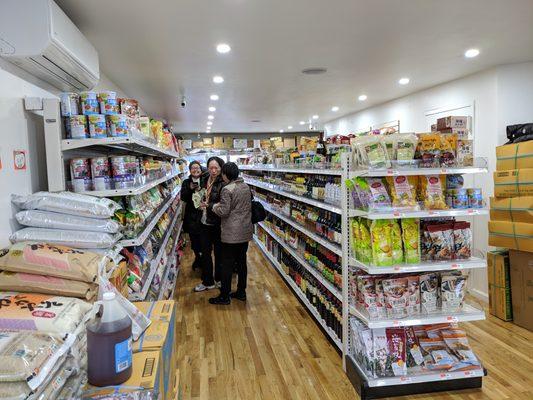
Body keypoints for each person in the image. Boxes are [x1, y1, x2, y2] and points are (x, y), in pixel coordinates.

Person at [207, 162, 252, 305]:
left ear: (226, 174)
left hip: (231, 233)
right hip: (245, 231)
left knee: (226, 264)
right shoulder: (245, 186)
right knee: (241, 263)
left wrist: (212, 206)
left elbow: (223, 211)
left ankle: (224, 296)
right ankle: (241, 292)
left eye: (223, 173)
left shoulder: (227, 189)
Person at [194, 156, 225, 292]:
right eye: (211, 167)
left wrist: (209, 204)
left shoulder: (224, 182)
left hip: (217, 223)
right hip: (204, 221)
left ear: (221, 168)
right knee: (205, 253)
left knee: (219, 254)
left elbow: (224, 204)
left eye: (216, 168)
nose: (213, 171)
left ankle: (218, 279)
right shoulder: (205, 178)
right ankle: (208, 281)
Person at [180, 161, 205, 271]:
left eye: (197, 168)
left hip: (203, 214)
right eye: (193, 168)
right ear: (190, 170)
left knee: (204, 240)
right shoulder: (186, 182)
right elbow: (183, 198)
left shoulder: (205, 180)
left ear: (201, 169)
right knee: (194, 240)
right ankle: (198, 258)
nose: (196, 170)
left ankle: (204, 259)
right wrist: (190, 189)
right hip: (191, 216)